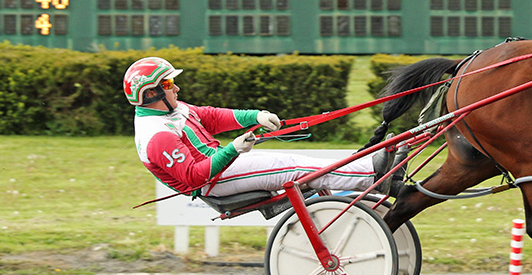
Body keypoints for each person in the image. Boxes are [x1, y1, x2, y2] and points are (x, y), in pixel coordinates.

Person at [124, 56, 404, 200]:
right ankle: (373, 175)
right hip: (213, 183)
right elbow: (196, 178)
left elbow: (210, 117)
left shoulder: (173, 109)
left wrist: (255, 117)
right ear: (151, 93)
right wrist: (233, 149)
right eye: (170, 85)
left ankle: (370, 173)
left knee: (304, 163)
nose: (177, 88)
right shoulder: (156, 137)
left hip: (221, 167)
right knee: (292, 166)